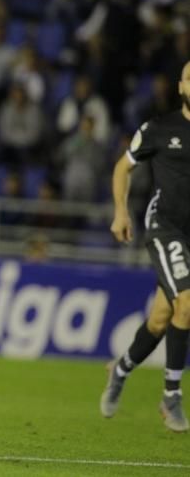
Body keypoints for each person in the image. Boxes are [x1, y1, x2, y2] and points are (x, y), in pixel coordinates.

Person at [102, 61, 190, 432]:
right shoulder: (160, 128)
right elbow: (123, 168)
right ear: (181, 85)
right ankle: (171, 397)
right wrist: (121, 212)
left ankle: (119, 370)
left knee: (160, 320)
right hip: (167, 229)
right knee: (187, 304)